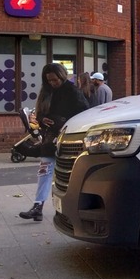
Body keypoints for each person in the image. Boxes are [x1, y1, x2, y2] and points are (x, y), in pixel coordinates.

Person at [19, 63, 88, 222]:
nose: (53, 83)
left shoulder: (72, 91)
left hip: (69, 138)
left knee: (69, 175)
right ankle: (38, 206)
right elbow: (40, 113)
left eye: (55, 80)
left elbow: (85, 112)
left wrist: (61, 121)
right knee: (44, 171)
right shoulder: (46, 92)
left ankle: (71, 208)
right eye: (49, 80)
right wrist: (43, 119)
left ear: (62, 76)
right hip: (51, 139)